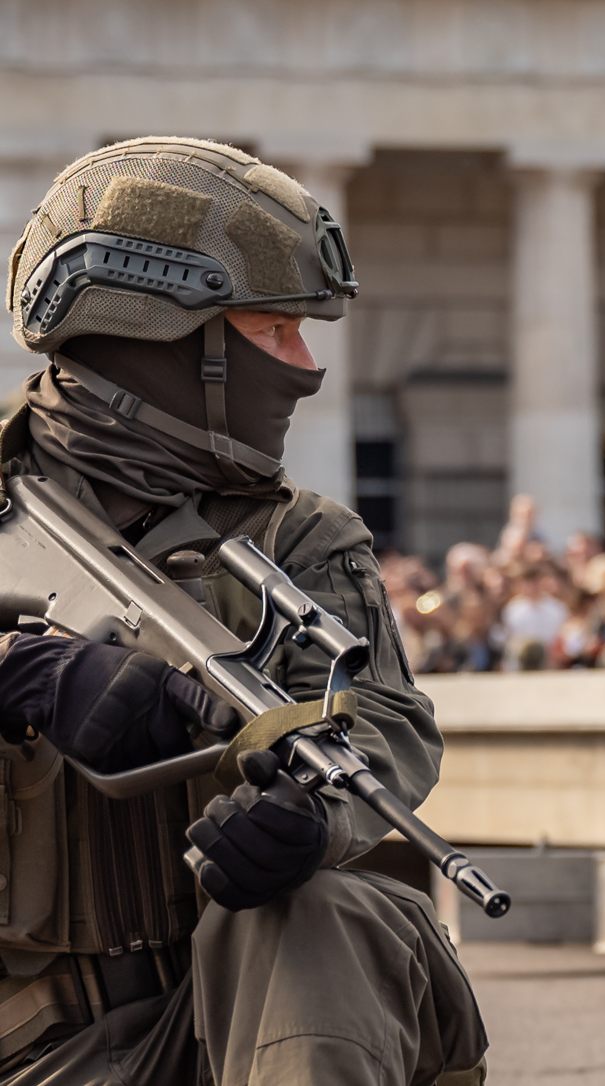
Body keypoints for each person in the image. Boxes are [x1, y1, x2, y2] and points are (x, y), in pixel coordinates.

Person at [0, 138, 487, 1083]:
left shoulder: (302, 539)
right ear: (161, 339)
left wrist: (313, 814)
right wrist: (23, 676)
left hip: (229, 1018)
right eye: (275, 330)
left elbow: (382, 722)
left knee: (328, 912)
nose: (305, 367)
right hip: (32, 1039)